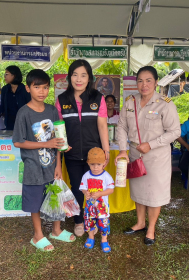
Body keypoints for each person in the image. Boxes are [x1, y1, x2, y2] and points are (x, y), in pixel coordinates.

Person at [116, 66, 181, 245]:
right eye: (140, 80)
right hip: (135, 153)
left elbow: (175, 131)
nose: (144, 85)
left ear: (156, 82)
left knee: (154, 193)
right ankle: (140, 222)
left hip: (157, 156)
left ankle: (150, 228)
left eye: (148, 80)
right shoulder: (130, 102)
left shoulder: (165, 103)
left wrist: (151, 144)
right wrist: (123, 149)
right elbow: (121, 126)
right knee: (139, 190)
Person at [13, 69, 75, 251]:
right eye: (37, 87)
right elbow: (18, 142)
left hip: (51, 166)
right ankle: (38, 235)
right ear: (28, 88)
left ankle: (56, 230)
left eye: (45, 87)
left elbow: (58, 140)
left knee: (56, 197)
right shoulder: (23, 113)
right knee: (35, 202)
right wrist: (46, 143)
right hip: (33, 166)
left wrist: (58, 164)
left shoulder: (52, 110)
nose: (42, 91)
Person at [55, 59, 109, 237]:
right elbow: (59, 129)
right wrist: (62, 149)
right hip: (72, 155)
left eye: (83, 75)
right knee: (77, 187)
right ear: (70, 77)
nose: (79, 79)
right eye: (75, 75)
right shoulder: (62, 100)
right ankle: (79, 221)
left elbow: (102, 126)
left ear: (89, 78)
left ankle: (93, 220)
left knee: (94, 188)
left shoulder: (97, 98)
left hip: (93, 155)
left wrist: (106, 151)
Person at [80, 147, 114, 253]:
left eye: (99, 164)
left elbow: (111, 190)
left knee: (103, 223)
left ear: (104, 163)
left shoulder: (106, 176)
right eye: (92, 164)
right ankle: (91, 237)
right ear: (88, 163)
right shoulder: (86, 176)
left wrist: (100, 194)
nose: (95, 167)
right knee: (89, 221)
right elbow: (82, 187)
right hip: (90, 206)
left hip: (102, 207)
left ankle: (104, 240)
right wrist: (86, 192)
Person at [0, 66, 31, 130]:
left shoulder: (25, 89)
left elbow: (30, 105)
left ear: (14, 75)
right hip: (9, 122)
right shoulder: (5, 89)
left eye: (6, 74)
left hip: (23, 122)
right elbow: (2, 104)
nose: (4, 76)